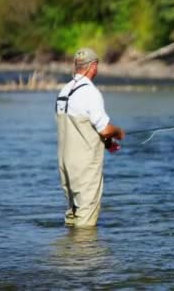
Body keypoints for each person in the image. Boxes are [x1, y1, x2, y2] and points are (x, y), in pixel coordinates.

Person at [55, 48, 125, 227]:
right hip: (85, 167)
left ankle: (68, 253)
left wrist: (108, 144)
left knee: (72, 215)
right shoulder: (90, 93)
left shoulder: (64, 91)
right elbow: (104, 130)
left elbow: (82, 128)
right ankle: (85, 255)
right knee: (85, 224)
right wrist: (118, 133)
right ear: (93, 66)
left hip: (66, 166)